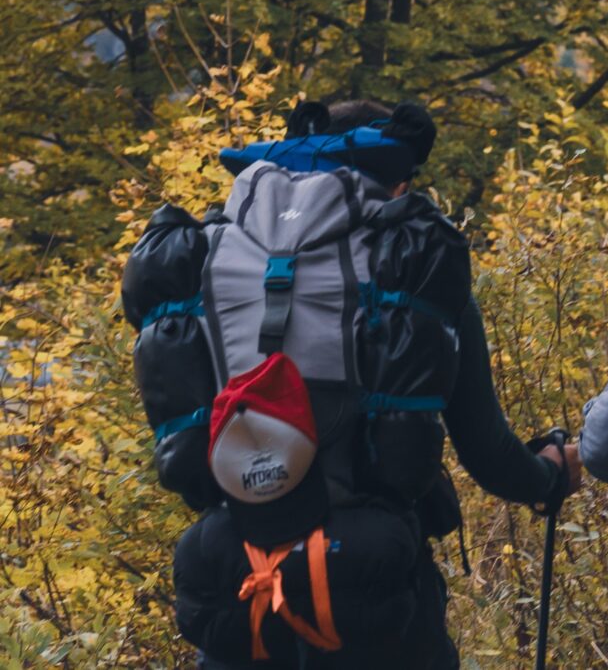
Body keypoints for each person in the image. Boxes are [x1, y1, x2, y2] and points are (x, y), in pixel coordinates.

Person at [146, 99, 581, 670]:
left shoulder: (213, 264)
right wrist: (549, 473)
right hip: (374, 597)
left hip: (237, 582)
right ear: (396, 181)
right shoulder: (410, 271)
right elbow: (487, 452)